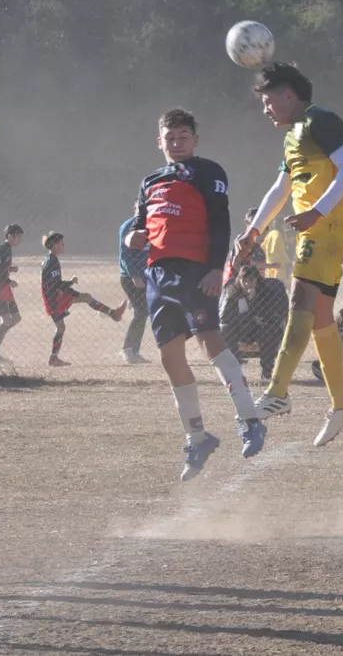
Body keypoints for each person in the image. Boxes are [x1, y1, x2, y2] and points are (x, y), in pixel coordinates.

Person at [125, 108, 265, 481]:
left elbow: (221, 223)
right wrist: (130, 238)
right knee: (170, 357)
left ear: (195, 140)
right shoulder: (150, 181)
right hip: (158, 275)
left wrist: (218, 269)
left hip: (195, 270)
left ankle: (249, 418)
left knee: (210, 342)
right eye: (170, 137)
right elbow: (137, 227)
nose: (176, 142)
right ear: (160, 141)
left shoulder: (209, 172)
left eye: (183, 136)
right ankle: (197, 436)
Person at [234, 63, 343, 446]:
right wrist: (252, 230)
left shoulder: (319, 120)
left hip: (328, 226)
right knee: (320, 315)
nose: (265, 109)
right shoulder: (292, 137)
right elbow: (280, 188)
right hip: (316, 227)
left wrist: (317, 211)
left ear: (289, 94)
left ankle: (278, 391)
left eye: (268, 99)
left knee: (299, 299)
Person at [40, 232, 126, 367]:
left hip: (51, 297)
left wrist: (67, 285)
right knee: (87, 297)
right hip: (56, 298)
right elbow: (55, 284)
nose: (63, 246)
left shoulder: (48, 259)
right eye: (62, 243)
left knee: (61, 327)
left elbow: (52, 282)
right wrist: (70, 283)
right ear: (55, 245)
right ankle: (113, 314)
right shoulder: (52, 261)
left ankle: (53, 358)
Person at [221, 264, 288, 382]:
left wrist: (254, 301)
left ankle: (266, 373)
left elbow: (274, 313)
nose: (247, 284)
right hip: (240, 329)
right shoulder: (232, 291)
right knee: (225, 329)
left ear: (257, 279)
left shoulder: (267, 291)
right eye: (244, 280)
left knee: (269, 330)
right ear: (239, 279)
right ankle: (235, 372)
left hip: (261, 330)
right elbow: (224, 317)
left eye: (251, 280)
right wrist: (251, 316)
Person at [118, 208, 151, 364]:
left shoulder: (152, 225)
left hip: (148, 277)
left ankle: (133, 351)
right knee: (142, 311)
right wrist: (135, 276)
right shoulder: (129, 226)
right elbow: (125, 255)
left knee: (145, 311)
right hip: (131, 278)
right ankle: (128, 350)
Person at [0, 224, 24, 354]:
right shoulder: (2, 250)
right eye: (18, 236)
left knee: (16, 318)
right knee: (6, 320)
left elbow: (0, 267)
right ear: (9, 236)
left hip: (4, 288)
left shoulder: (8, 249)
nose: (20, 240)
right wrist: (8, 280)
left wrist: (10, 269)